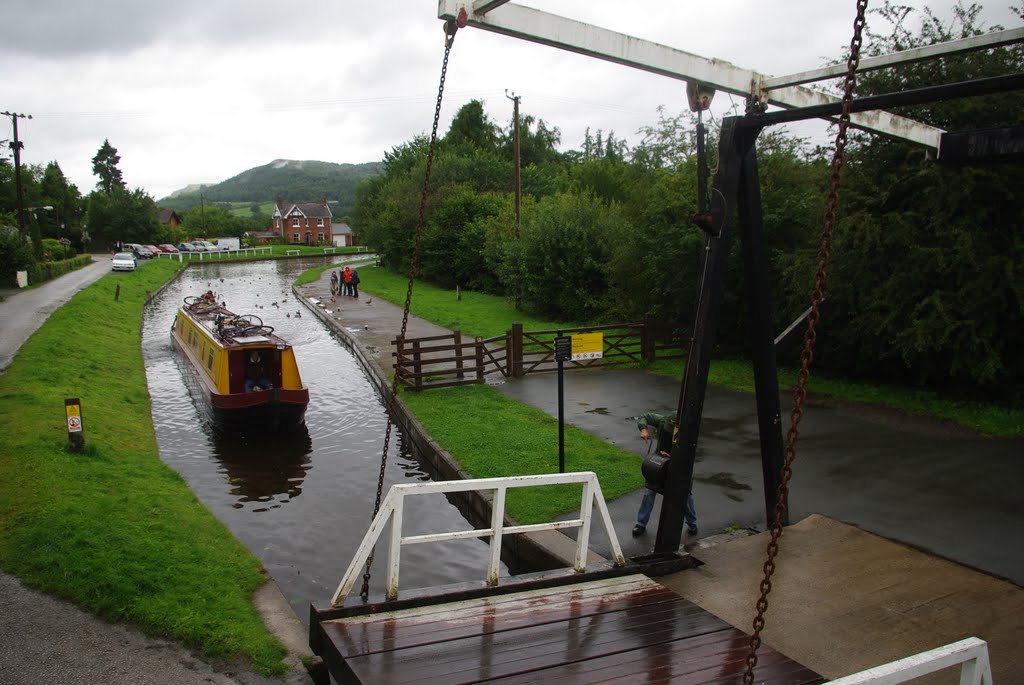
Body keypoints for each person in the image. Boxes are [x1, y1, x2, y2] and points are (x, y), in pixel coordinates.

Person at [632, 411, 698, 538]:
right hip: (659, 463)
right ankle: (641, 523)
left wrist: (674, 457)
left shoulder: (689, 433)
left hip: (678, 466)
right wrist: (643, 429)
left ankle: (692, 523)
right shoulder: (662, 420)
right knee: (649, 492)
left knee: (685, 494)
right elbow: (644, 417)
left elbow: (689, 455)